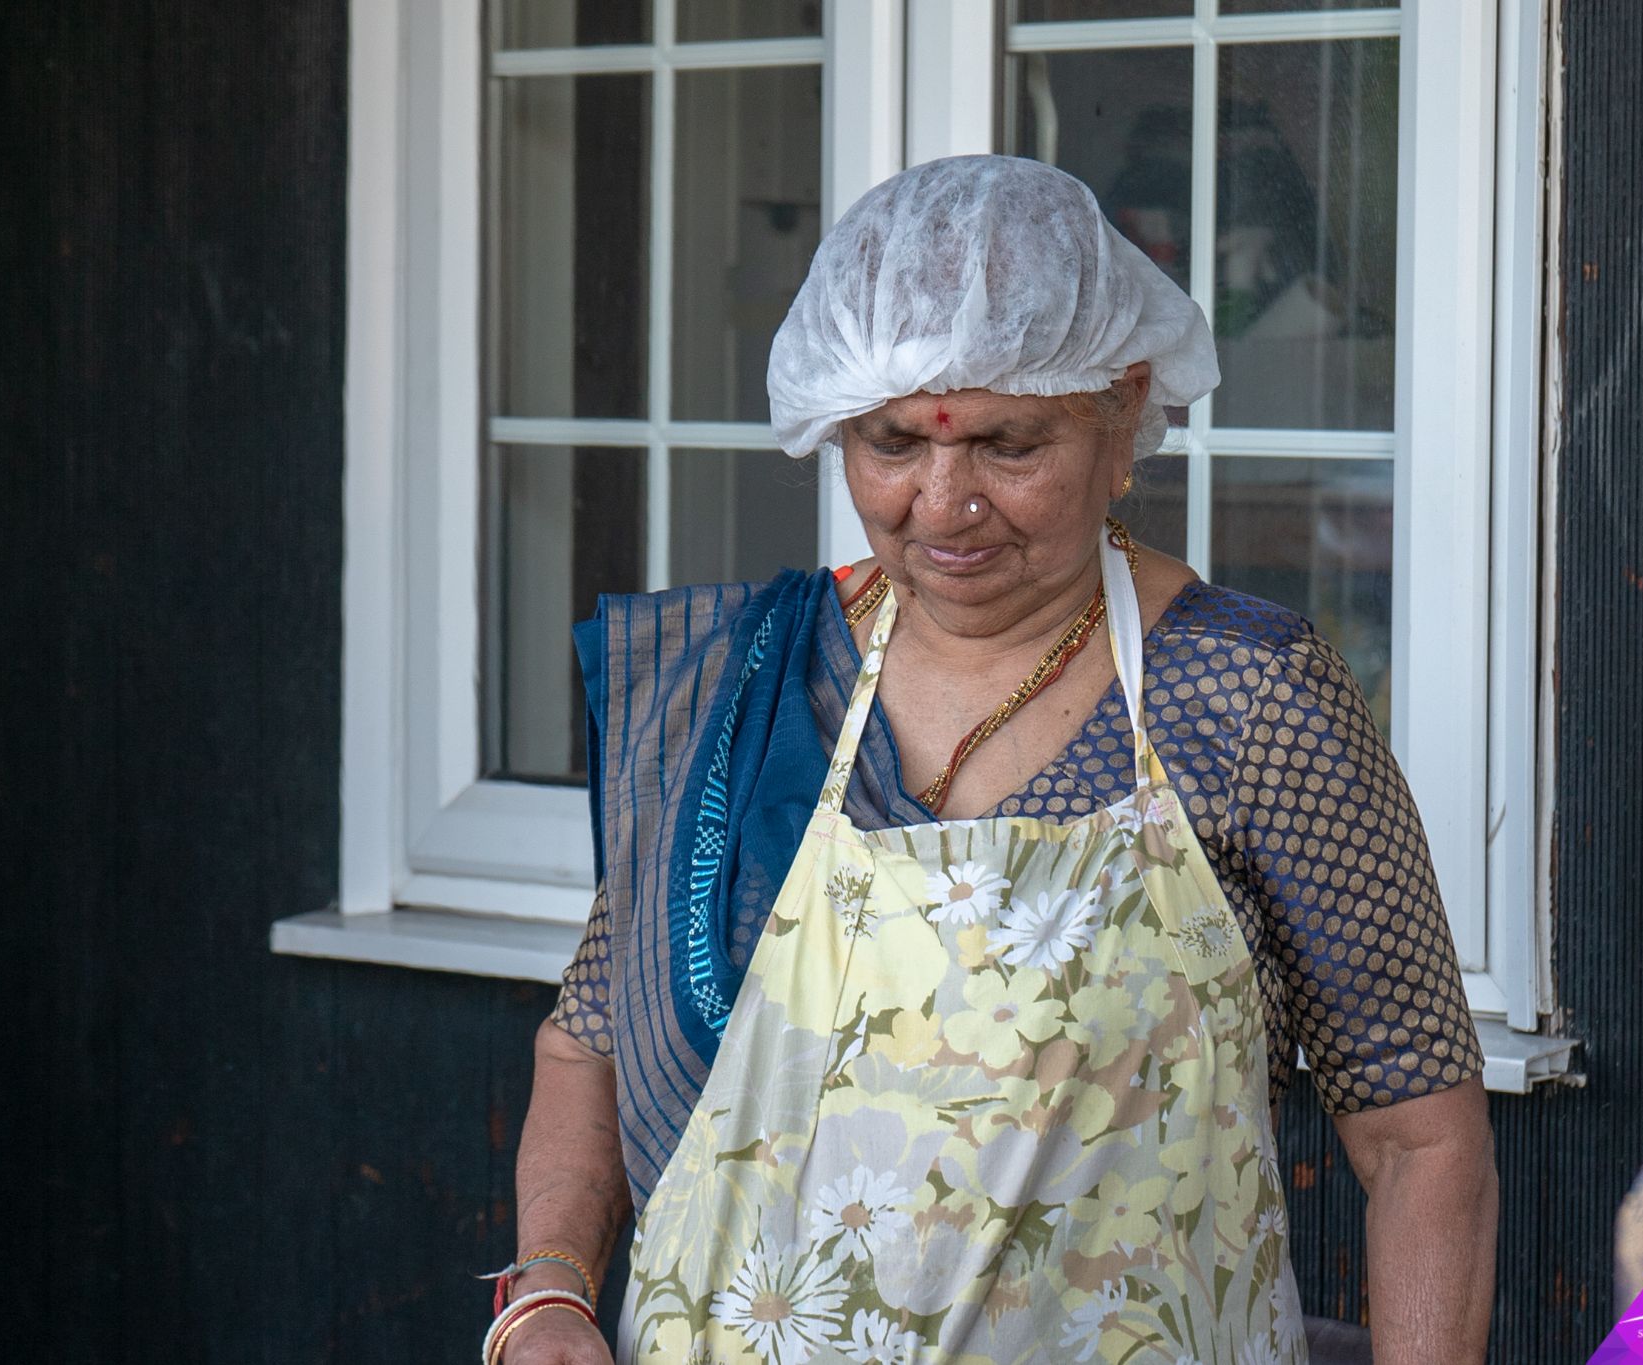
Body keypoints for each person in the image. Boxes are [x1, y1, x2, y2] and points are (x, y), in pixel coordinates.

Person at [487, 155, 1497, 1365]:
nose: (942, 502)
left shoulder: (1243, 695)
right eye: (890, 444)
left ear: (1121, 412)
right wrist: (546, 1289)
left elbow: (1421, 1140)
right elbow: (587, 1037)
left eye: (1006, 446)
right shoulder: (750, 687)